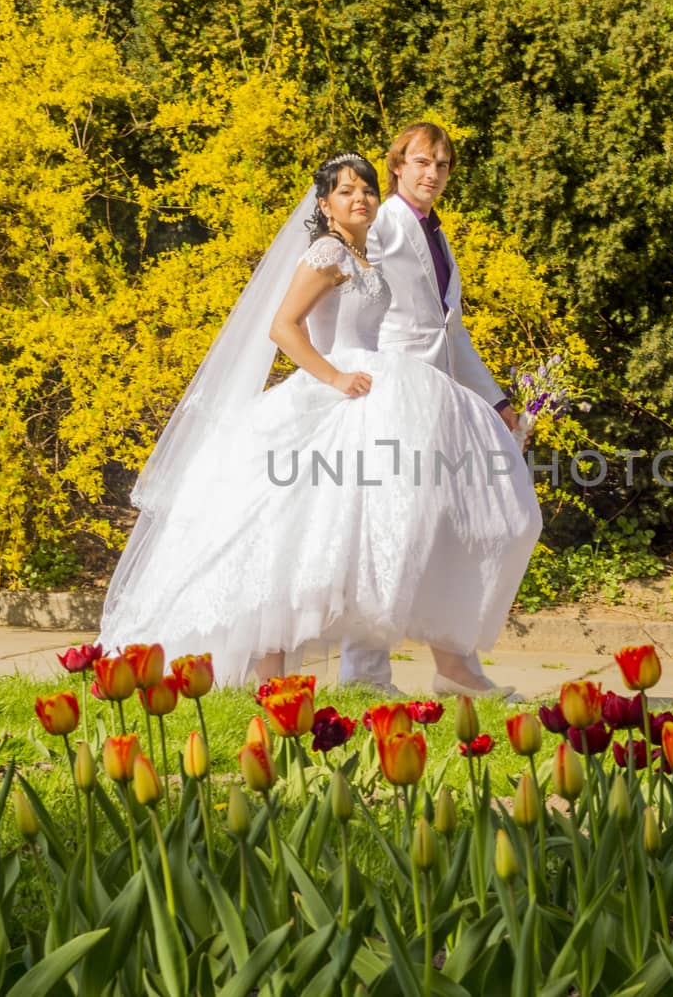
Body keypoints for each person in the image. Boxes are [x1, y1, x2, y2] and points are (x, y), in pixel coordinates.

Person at [96, 150, 541, 694]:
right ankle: (273, 677)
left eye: (367, 191)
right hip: (332, 395)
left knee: (335, 538)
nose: (361, 199)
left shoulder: (362, 257)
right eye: (348, 192)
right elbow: (284, 328)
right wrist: (333, 378)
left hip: (374, 391)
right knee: (282, 535)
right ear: (326, 205)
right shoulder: (329, 252)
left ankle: (358, 671)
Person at [335, 123, 528, 696]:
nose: (433, 174)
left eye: (442, 165)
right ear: (397, 165)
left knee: (470, 525)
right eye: (422, 161)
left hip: (442, 402)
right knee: (392, 528)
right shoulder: (385, 222)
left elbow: (452, 334)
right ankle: (364, 674)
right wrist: (340, 367)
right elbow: (337, 276)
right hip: (395, 397)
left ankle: (454, 669)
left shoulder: (437, 238)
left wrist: (497, 400)